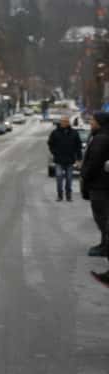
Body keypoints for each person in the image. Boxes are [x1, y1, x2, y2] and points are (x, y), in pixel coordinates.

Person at [82, 112, 109, 283]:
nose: (90, 122)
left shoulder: (101, 139)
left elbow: (94, 162)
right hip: (101, 184)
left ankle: (105, 246)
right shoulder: (100, 136)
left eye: (93, 120)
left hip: (100, 185)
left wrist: (84, 174)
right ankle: (104, 245)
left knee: (102, 219)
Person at [49, 116, 82, 202]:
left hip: (70, 160)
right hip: (59, 159)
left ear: (69, 122)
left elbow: (78, 146)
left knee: (69, 178)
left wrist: (79, 159)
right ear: (60, 122)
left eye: (66, 121)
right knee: (59, 177)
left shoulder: (74, 133)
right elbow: (50, 143)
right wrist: (54, 152)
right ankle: (60, 195)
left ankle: (68, 195)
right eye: (62, 121)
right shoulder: (55, 133)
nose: (64, 123)